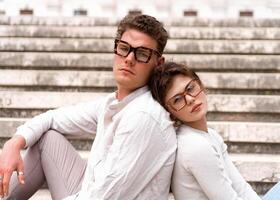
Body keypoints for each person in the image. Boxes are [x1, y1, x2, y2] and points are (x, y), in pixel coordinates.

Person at [0, 14, 177, 200]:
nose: (129, 59)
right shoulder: (115, 103)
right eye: (124, 49)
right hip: (90, 191)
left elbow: (103, 197)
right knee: (47, 138)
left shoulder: (143, 115)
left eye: (142, 54)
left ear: (158, 63)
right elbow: (53, 118)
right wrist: (14, 143)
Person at [149, 61, 280, 200]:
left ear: (200, 84)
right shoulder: (194, 146)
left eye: (190, 88)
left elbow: (241, 187)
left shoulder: (209, 135)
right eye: (177, 99)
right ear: (170, 111)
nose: (189, 99)